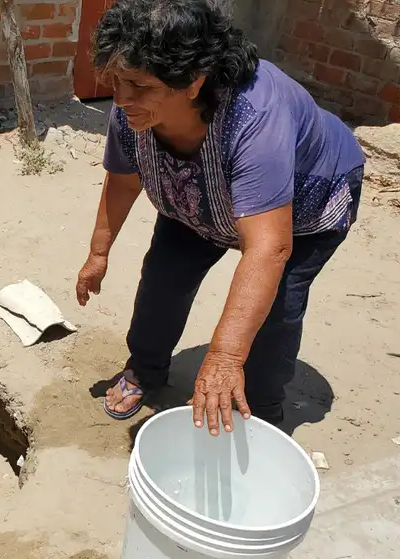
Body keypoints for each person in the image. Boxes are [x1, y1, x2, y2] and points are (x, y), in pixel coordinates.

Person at [76, 0, 365, 435]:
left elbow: (269, 247)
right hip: (199, 196)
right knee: (165, 275)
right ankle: (146, 368)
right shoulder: (133, 109)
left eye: (137, 84)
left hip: (305, 204)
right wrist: (99, 253)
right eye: (115, 81)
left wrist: (226, 356)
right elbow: (123, 180)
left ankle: (263, 415)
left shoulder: (255, 116)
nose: (120, 97)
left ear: (193, 82)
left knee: (276, 310)